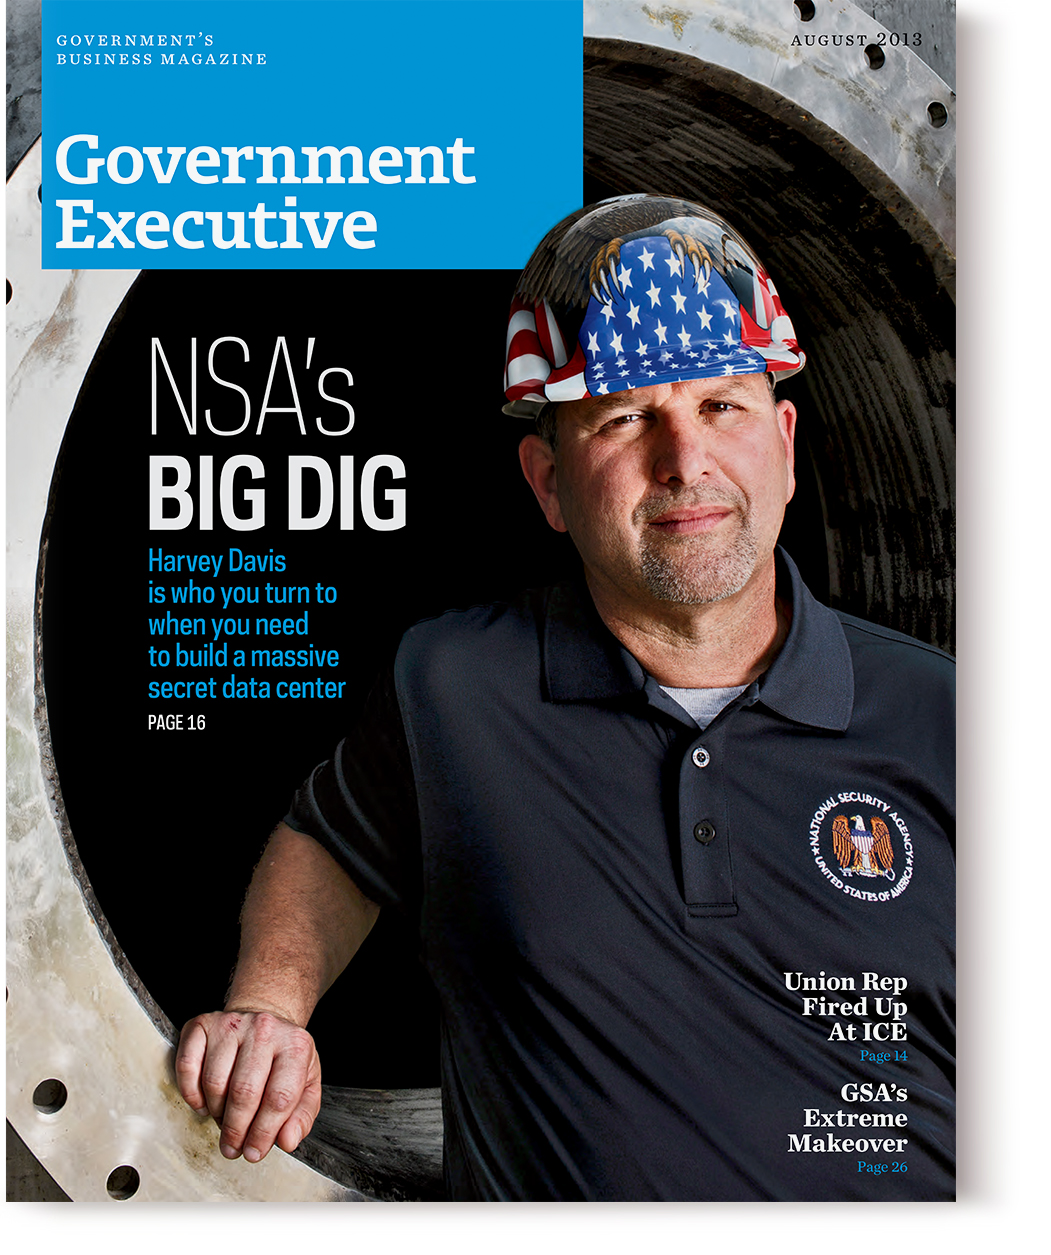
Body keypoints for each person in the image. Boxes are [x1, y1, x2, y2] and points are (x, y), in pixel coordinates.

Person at [176, 195, 955, 1201]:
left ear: (786, 441)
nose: (686, 462)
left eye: (722, 405)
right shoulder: (453, 688)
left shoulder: (953, 719)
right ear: (546, 481)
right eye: (626, 417)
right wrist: (270, 1007)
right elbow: (331, 842)